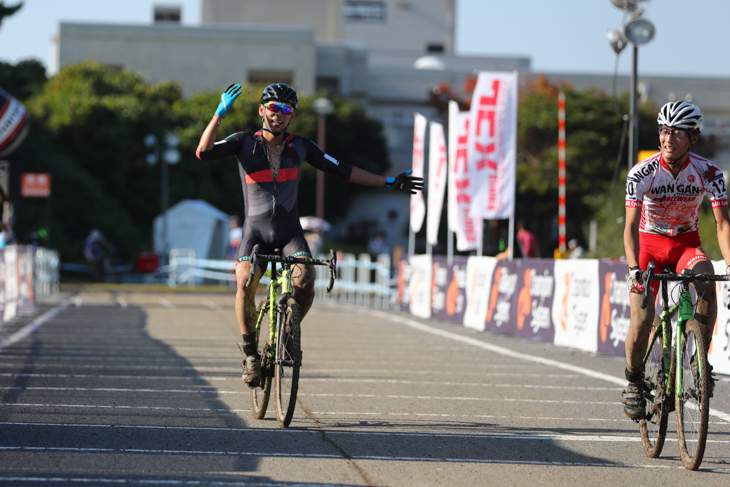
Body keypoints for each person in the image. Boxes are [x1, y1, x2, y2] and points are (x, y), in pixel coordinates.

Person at [196, 82, 423, 387]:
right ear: (262, 110)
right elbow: (203, 152)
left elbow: (342, 169)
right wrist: (218, 115)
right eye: (273, 108)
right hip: (256, 232)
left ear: (291, 117)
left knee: (306, 281)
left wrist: (389, 181)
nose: (279, 115)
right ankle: (250, 355)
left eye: (286, 110)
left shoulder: (301, 147)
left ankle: (289, 334)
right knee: (245, 282)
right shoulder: (242, 142)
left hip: (290, 232)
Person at [621, 101, 730, 420]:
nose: (668, 138)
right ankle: (634, 382)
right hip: (649, 248)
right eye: (664, 131)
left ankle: (699, 362)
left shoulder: (709, 172)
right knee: (641, 321)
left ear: (693, 138)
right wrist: (634, 270)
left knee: (707, 280)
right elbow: (629, 228)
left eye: (677, 132)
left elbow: (722, 225)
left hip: (685, 246)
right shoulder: (642, 172)